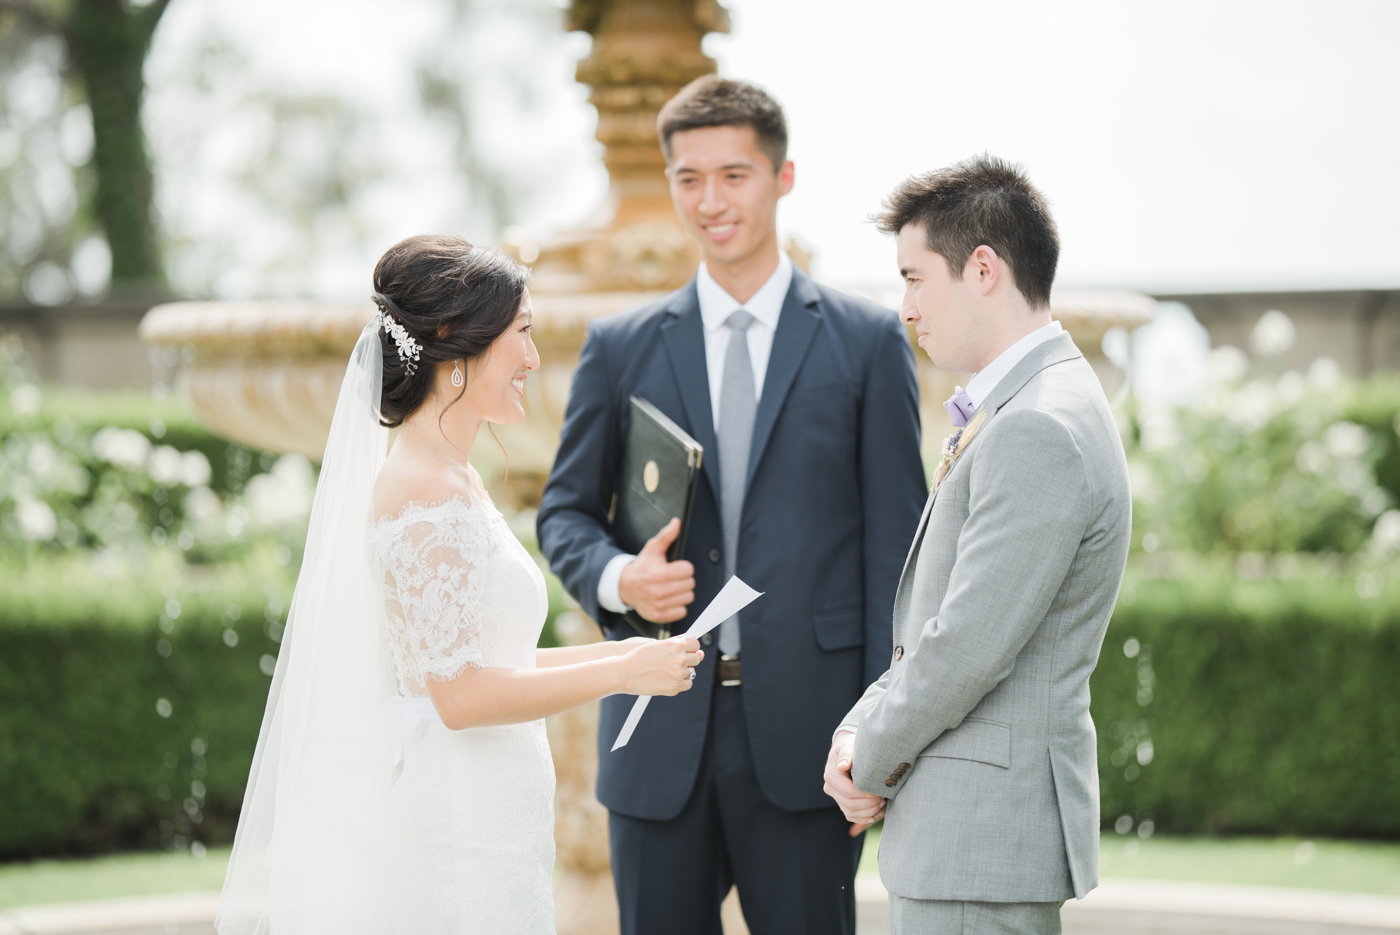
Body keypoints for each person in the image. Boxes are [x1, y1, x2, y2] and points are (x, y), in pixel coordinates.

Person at [216, 235, 703, 935]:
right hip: (460, 821)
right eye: (522, 334)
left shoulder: (455, 479)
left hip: (496, 813)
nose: (533, 359)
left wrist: (629, 664)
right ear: (453, 340)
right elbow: (462, 696)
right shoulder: (421, 491)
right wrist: (622, 668)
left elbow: (486, 664)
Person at [537, 78, 926, 935]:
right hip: (655, 726)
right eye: (688, 178)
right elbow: (563, 513)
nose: (709, 201)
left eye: (734, 175)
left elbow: (897, 556)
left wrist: (880, 731)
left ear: (783, 177)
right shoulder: (620, 346)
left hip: (811, 737)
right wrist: (617, 580)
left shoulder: (866, 344)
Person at [822, 156, 1133, 935]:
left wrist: (867, 756)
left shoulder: (1036, 424)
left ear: (984, 269)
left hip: (979, 843)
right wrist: (859, 725)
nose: (905, 308)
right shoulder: (1036, 401)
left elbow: (967, 645)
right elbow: (941, 622)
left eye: (915, 277)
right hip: (974, 837)